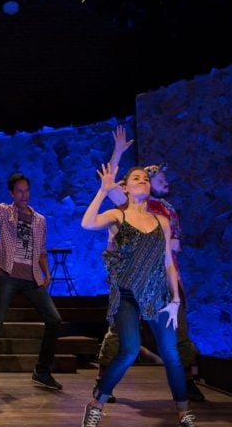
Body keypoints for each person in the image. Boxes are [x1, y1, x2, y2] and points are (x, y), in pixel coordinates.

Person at [94, 127, 205, 403]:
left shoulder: (165, 210)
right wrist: (118, 152)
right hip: (132, 281)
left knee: (176, 326)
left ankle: (186, 382)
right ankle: (104, 379)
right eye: (151, 176)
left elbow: (170, 250)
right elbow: (109, 188)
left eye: (154, 175)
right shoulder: (129, 203)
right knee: (122, 334)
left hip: (164, 280)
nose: (158, 179)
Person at [80, 163, 195, 427]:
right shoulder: (117, 216)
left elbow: (167, 261)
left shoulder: (161, 221)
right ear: (126, 188)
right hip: (127, 294)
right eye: (136, 178)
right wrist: (101, 190)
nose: (142, 180)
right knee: (129, 350)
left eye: (145, 178)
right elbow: (87, 223)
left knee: (171, 353)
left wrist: (175, 299)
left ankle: (184, 412)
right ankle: (96, 404)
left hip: (158, 294)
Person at [0, 151, 63, 390]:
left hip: (31, 277)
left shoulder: (40, 220)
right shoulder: (4, 212)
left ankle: (42, 372)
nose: (24, 195)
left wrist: (47, 273)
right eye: (19, 191)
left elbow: (41, 249)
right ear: (12, 193)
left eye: (26, 191)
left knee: (54, 320)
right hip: (7, 275)